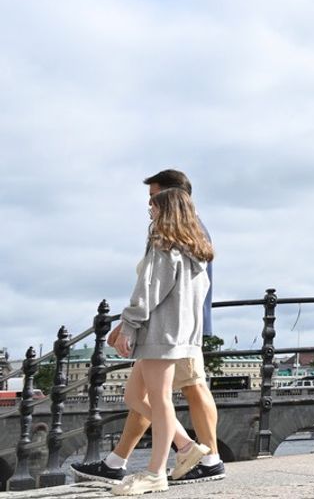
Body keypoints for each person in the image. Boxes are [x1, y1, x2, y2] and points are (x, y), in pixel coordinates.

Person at [72, 171, 225, 487]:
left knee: (165, 397)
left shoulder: (165, 242)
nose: (149, 208)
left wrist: (128, 325)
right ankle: (186, 447)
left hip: (163, 334)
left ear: (169, 203)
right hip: (181, 333)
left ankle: (161, 471)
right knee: (136, 396)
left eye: (153, 202)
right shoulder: (196, 243)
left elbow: (150, 288)